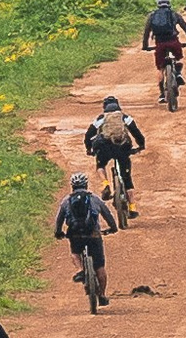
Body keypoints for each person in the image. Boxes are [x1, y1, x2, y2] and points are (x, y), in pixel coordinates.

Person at [53, 172, 109, 302]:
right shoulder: (93, 198)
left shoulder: (66, 201)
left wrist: (58, 232)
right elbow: (107, 213)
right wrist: (112, 227)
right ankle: (102, 295)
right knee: (100, 266)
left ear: (72, 186)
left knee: (75, 253)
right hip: (93, 234)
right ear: (86, 184)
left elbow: (59, 219)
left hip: (75, 234)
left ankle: (80, 269)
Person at [85, 96, 145, 211]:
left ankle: (105, 183)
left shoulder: (102, 118)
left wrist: (89, 149)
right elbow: (135, 131)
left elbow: (88, 135)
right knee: (127, 178)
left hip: (105, 148)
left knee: (101, 165)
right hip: (122, 148)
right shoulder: (124, 117)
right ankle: (132, 207)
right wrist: (141, 145)